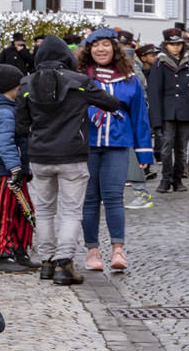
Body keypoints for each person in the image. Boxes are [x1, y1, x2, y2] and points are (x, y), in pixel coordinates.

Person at [18, 36, 124, 285]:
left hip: (39, 156)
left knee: (44, 211)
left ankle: (46, 262)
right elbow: (112, 103)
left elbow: (20, 125)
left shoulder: (26, 83)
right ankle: (64, 264)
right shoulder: (80, 82)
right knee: (71, 211)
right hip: (72, 155)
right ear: (67, 58)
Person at [75, 29, 154, 275]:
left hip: (118, 144)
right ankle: (92, 250)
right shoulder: (80, 78)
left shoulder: (130, 79)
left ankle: (118, 249)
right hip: (87, 145)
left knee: (113, 197)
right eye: (96, 45)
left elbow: (140, 116)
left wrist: (144, 152)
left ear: (114, 48)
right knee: (89, 199)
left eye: (106, 44)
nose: (101, 49)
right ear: (89, 50)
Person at [0, 65, 33, 273]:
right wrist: (15, 168)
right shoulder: (3, 112)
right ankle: (2, 254)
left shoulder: (9, 108)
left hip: (13, 170)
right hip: (5, 172)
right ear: (10, 87)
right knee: (4, 212)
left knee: (22, 210)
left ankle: (19, 250)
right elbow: (5, 144)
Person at [146, 29, 189, 193]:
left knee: (181, 149)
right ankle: (166, 178)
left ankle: (177, 179)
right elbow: (154, 93)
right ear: (166, 45)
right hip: (167, 112)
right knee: (166, 147)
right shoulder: (159, 63)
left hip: (185, 110)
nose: (176, 47)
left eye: (178, 44)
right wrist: (156, 120)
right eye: (172, 44)